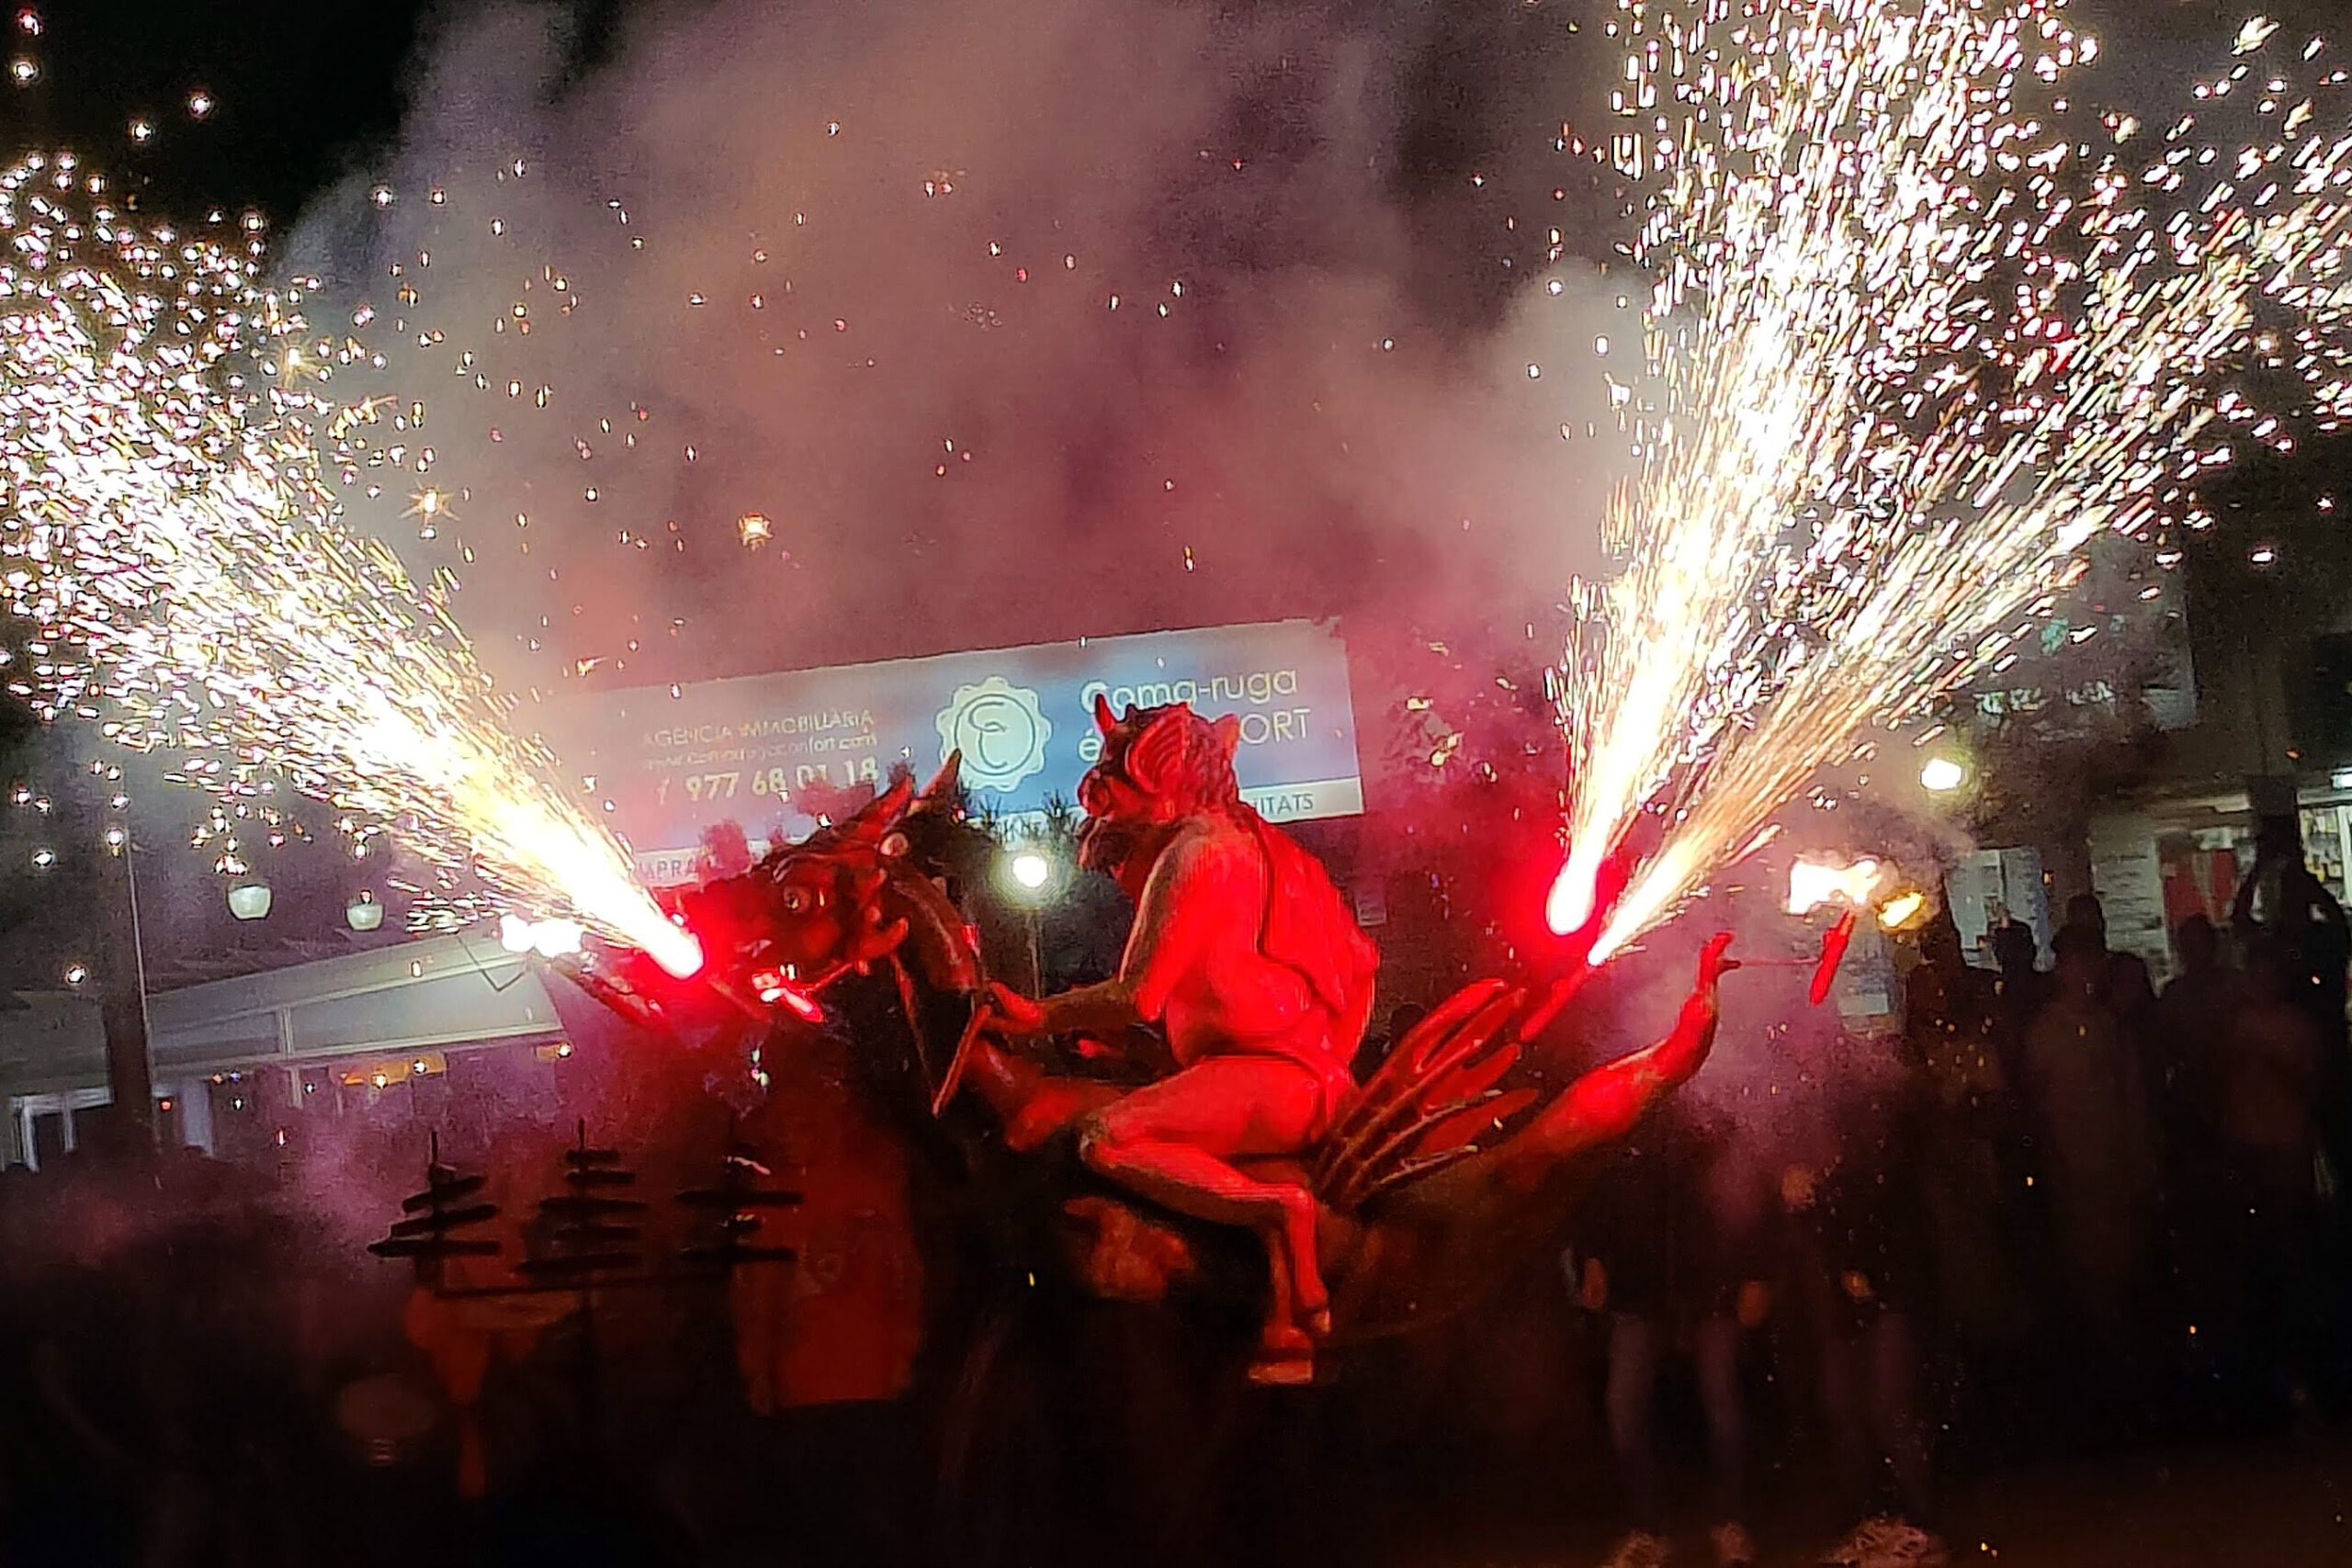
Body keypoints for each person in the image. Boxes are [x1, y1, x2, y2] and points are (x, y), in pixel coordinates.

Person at [1572, 1105, 1770, 1568]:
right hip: (1639, 1289)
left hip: (1711, 1284)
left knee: (1723, 1407)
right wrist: (1593, 1255)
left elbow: (1747, 1188)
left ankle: (1730, 1521)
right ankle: (1646, 1527)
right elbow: (1597, 1183)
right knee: (1624, 1409)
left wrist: (1757, 1272)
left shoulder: (1717, 1103)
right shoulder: (1634, 1108)